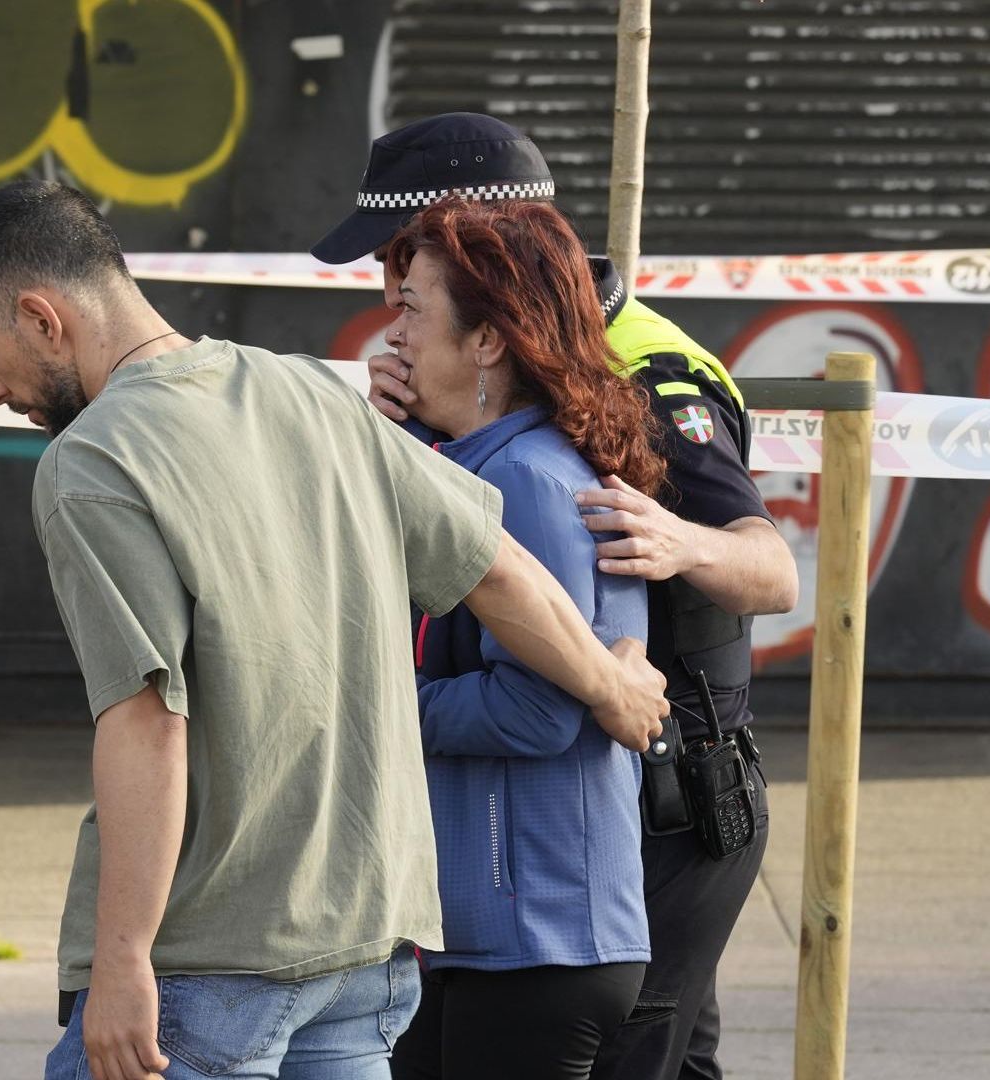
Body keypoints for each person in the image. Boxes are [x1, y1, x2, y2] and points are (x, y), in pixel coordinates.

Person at [0, 180, 671, 1080]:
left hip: (207, 963)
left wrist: (123, 958)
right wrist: (612, 686)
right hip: (367, 952)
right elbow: (498, 567)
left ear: (44, 318)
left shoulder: (93, 462)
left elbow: (146, 720)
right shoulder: (305, 393)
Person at [311, 113, 798, 1080]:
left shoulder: (650, 369)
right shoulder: (479, 394)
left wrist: (677, 539)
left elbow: (773, 570)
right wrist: (407, 435)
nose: (387, 302)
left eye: (405, 273)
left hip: (664, 800)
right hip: (558, 826)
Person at [380, 197, 662, 1079]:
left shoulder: (529, 484)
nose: (393, 335)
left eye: (411, 310)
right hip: (495, 936)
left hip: (538, 937)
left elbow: (539, 712)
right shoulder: (481, 464)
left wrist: (377, 707)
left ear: (487, 343)